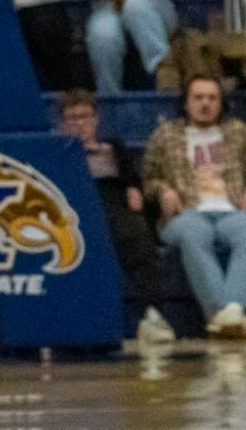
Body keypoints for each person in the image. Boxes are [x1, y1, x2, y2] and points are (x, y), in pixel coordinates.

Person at [141, 75, 246, 338]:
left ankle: (232, 309)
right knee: (193, 233)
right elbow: (148, 178)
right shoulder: (166, 134)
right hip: (185, 213)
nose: (205, 104)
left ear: (221, 103)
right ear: (186, 103)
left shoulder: (238, 132)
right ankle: (225, 314)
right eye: (198, 97)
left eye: (212, 98)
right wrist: (163, 190)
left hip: (231, 210)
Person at [55, 90, 174, 346]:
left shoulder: (113, 147)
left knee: (136, 232)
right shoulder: (58, 153)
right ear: (62, 123)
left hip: (113, 200)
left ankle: (152, 316)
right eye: (72, 118)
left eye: (85, 116)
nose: (80, 123)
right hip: (76, 206)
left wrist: (133, 189)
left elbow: (131, 179)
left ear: (96, 120)